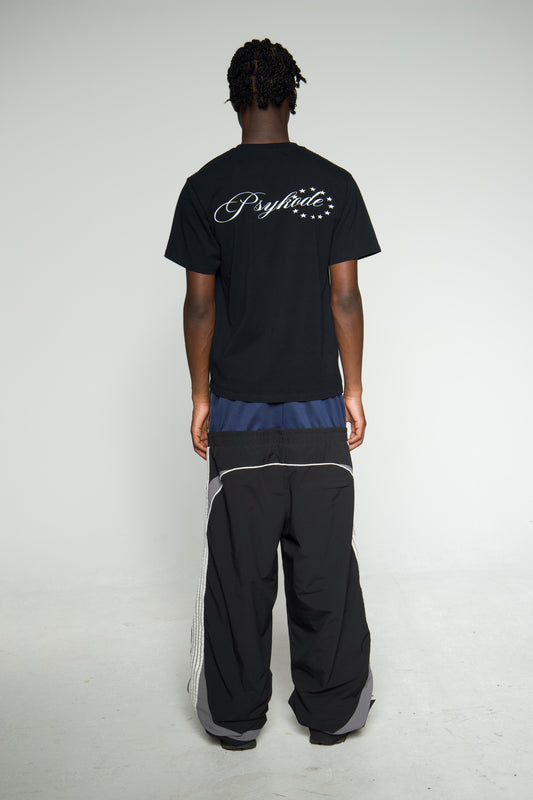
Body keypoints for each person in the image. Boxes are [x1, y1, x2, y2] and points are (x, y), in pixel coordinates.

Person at [163, 37, 381, 750]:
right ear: (292, 96)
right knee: (324, 567)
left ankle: (234, 720)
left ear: (234, 100)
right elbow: (344, 296)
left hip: (238, 413)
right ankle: (333, 714)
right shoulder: (333, 183)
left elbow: (200, 304)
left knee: (238, 573)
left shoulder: (204, 187)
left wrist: (200, 396)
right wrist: (353, 388)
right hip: (318, 407)